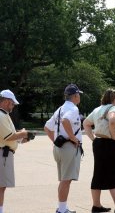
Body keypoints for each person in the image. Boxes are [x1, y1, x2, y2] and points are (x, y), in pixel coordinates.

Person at [83, 89, 115, 213]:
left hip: (99, 143)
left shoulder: (97, 109)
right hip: (112, 144)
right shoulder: (113, 109)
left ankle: (96, 205)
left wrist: (93, 138)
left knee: (98, 174)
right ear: (112, 99)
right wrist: (114, 135)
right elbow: (112, 120)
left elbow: (86, 123)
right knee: (114, 175)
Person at [45, 84, 83, 213]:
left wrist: (56, 141)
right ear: (75, 96)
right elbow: (66, 121)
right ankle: (62, 210)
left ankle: (62, 207)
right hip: (68, 148)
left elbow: (47, 127)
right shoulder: (73, 109)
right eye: (79, 95)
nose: (79, 97)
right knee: (66, 181)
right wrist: (72, 138)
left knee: (64, 180)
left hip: (60, 148)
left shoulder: (60, 109)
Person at [0, 89, 33, 213]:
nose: (13, 106)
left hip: (5, 152)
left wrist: (22, 138)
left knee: (2, 186)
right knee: (1, 186)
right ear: (7, 101)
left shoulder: (3, 115)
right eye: (13, 103)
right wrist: (23, 133)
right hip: (2, 154)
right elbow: (8, 136)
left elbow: (9, 136)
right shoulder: (1, 115)